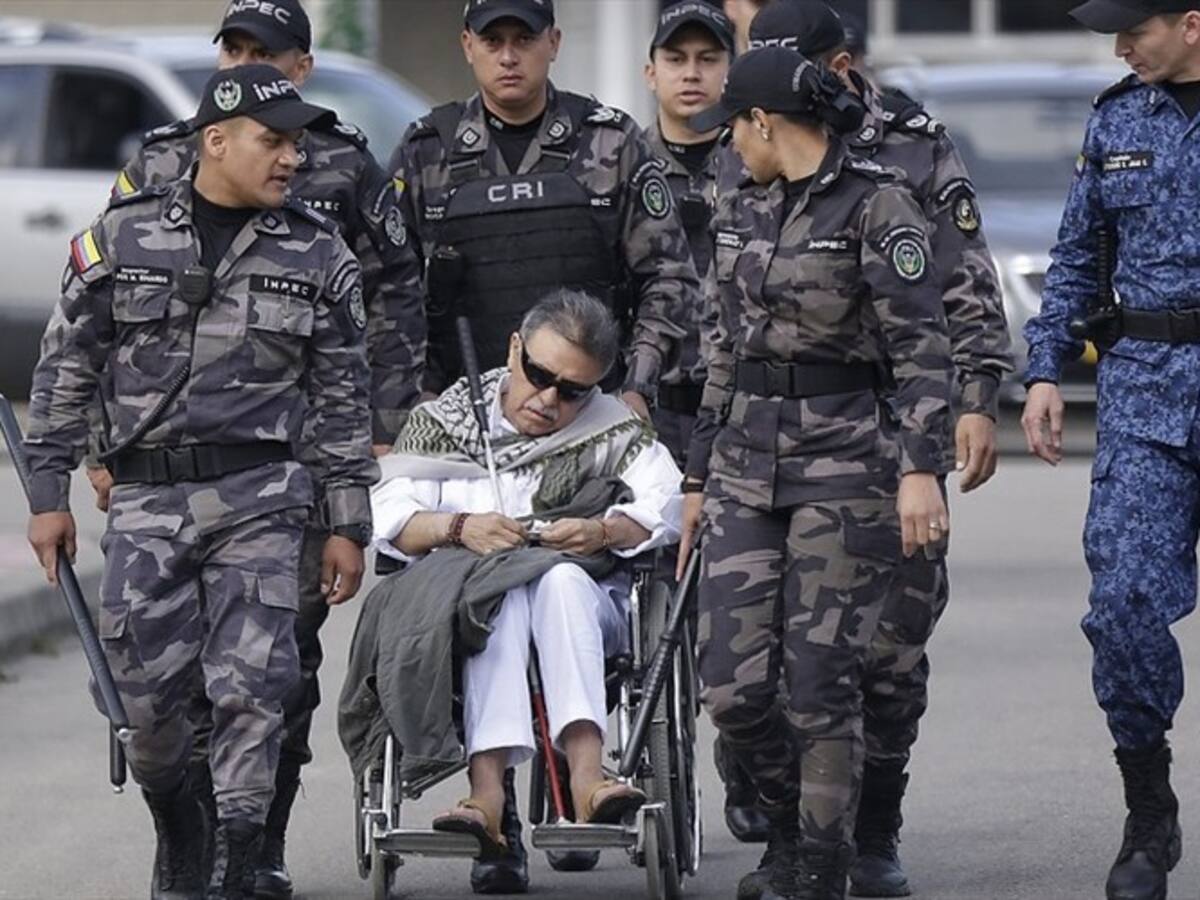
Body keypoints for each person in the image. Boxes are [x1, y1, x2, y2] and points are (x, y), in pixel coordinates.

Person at [22, 65, 377, 900]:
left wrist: (347, 521)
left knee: (254, 691)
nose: (291, 157)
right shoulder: (122, 239)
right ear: (215, 141)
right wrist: (47, 497)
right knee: (148, 710)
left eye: (297, 143)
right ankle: (180, 824)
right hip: (147, 504)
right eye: (274, 140)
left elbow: (340, 400)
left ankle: (239, 862)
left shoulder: (318, 251)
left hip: (265, 499)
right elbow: (65, 371)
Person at [97, 4, 425, 896]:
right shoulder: (163, 159)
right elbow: (101, 318)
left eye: (262, 53)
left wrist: (374, 438)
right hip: (161, 471)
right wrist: (102, 444)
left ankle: (255, 845)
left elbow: (388, 299)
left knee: (270, 670)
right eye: (232, 50)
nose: (241, 63)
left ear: (303, 66)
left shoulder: (346, 164)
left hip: (285, 469)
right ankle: (190, 831)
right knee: (165, 686)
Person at [390, 0, 699, 888]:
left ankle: (576, 782)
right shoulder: (426, 150)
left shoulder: (611, 143)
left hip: (590, 412)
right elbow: (390, 290)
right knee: (497, 595)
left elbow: (667, 278)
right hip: (468, 413)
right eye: (494, 39)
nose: (510, 55)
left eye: (527, 37)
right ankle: (500, 827)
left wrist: (629, 386)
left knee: (564, 583)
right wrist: (410, 406)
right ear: (469, 48)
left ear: (554, 45)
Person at [739, 4, 1013, 895]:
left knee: (887, 656)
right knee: (780, 662)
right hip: (781, 436)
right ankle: (797, 837)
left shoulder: (914, 144)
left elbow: (962, 281)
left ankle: (874, 829)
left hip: (900, 424)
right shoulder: (755, 137)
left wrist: (974, 400)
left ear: (839, 66)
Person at [680, 47, 953, 900]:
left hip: (845, 467)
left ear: (766, 122)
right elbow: (720, 346)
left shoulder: (879, 206)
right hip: (743, 467)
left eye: (735, 126)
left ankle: (819, 865)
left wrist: (921, 469)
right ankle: (793, 824)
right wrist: (695, 476)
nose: (727, 142)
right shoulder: (738, 201)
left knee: (820, 685)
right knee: (731, 690)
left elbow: (922, 349)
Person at [365, 290, 682, 884]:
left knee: (556, 577)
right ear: (514, 349)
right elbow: (391, 515)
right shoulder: (444, 423)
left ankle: (588, 775)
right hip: (466, 611)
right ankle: (487, 796)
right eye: (538, 374)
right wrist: (459, 527)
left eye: (572, 390)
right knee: (501, 593)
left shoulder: (613, 428)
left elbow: (667, 502)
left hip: (586, 608)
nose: (547, 399)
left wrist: (603, 529)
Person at [1022, 3, 1200, 899]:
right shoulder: (1118, 116)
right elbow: (1078, 251)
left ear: (1194, 22)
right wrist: (1046, 370)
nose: (1121, 47)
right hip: (1147, 391)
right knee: (1123, 602)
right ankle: (1149, 813)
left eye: (1135, 29)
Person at [643, 0, 771, 845]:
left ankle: (747, 761)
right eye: (676, 57)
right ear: (649, 69)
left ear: (730, 67)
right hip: (649, 405)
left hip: (743, 411)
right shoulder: (616, 160)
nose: (693, 73)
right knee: (641, 603)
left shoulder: (760, 153)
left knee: (741, 608)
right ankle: (624, 776)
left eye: (707, 57)